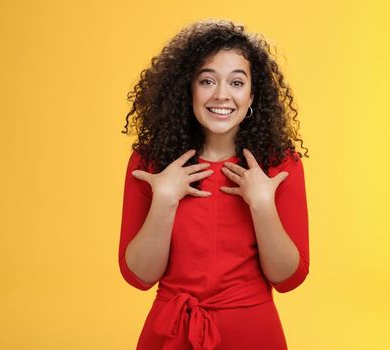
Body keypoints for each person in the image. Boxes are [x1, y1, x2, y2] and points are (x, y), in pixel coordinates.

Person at [119, 19, 310, 350]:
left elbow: (288, 278)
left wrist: (263, 204)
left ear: (252, 97)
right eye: (207, 80)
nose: (222, 95)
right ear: (188, 89)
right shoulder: (150, 164)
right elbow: (139, 276)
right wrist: (164, 199)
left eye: (237, 82)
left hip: (252, 335)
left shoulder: (280, 165)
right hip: (170, 334)